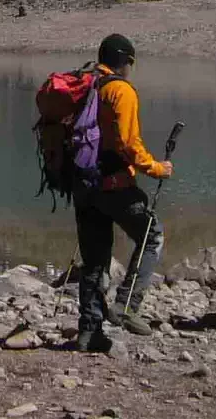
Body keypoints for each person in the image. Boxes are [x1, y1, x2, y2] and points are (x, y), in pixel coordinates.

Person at [73, 33, 173, 349]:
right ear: (125, 60)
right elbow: (129, 145)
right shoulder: (121, 91)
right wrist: (157, 168)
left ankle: (89, 333)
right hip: (115, 186)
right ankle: (127, 305)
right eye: (131, 62)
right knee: (151, 236)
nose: (132, 67)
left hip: (83, 185)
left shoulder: (83, 84)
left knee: (94, 260)